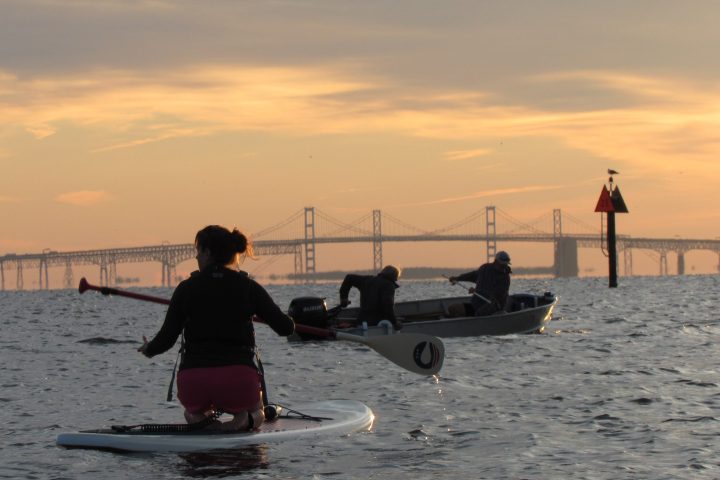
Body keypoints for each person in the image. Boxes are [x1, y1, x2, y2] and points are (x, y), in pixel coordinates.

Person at [138, 225, 295, 431]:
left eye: (198, 251)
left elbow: (166, 339)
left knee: (191, 411)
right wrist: (291, 320)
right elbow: (285, 328)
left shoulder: (186, 288)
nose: (196, 257)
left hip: (195, 383)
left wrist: (148, 349)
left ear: (208, 252)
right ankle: (240, 420)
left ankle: (202, 423)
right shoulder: (248, 287)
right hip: (237, 380)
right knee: (259, 410)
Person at [448, 251, 512, 316]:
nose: (504, 266)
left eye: (505, 264)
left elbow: (497, 296)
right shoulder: (485, 268)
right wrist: (457, 278)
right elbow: (472, 276)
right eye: (502, 264)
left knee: (478, 314)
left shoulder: (505, 278)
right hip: (476, 304)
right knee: (453, 308)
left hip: (493, 308)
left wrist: (477, 291)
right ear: (495, 261)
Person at [339, 265, 402, 330]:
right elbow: (387, 306)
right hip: (376, 324)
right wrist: (394, 322)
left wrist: (343, 298)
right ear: (395, 278)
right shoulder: (389, 285)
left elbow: (349, 278)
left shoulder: (367, 280)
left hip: (361, 322)